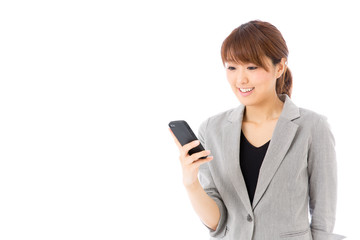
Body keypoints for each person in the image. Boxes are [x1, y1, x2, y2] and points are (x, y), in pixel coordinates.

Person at [169, 20, 345, 240]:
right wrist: (191, 182)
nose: (240, 79)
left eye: (252, 67)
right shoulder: (212, 129)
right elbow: (218, 223)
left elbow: (323, 219)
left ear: (279, 67)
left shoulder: (312, 127)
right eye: (232, 67)